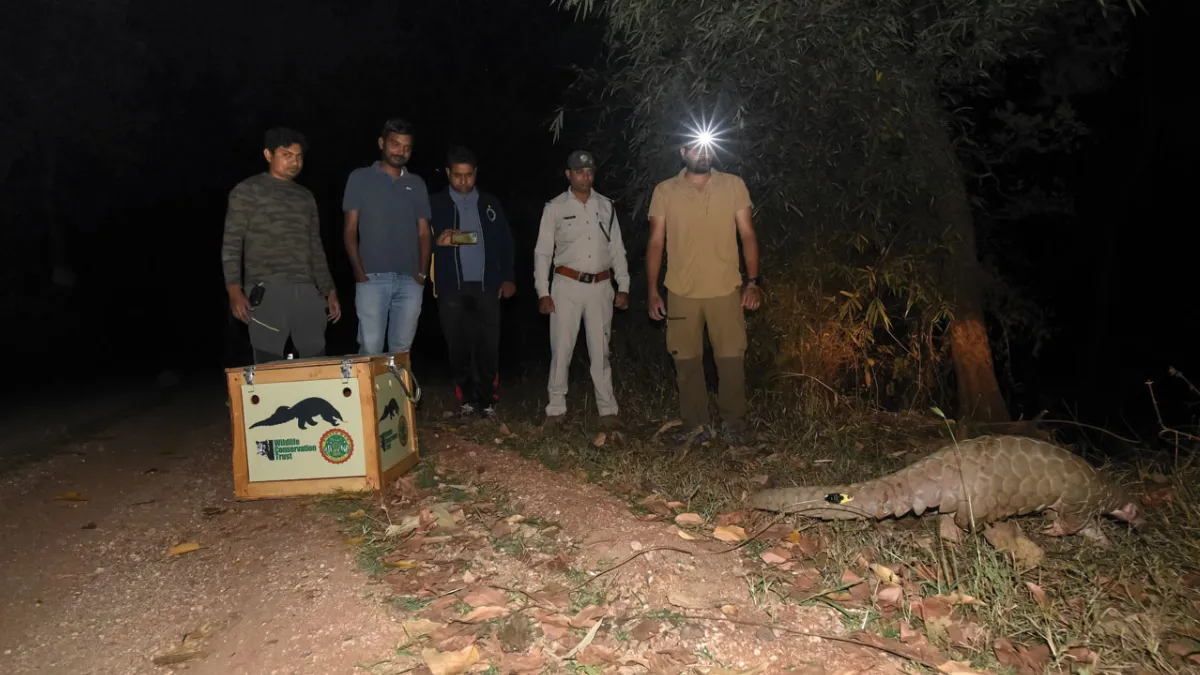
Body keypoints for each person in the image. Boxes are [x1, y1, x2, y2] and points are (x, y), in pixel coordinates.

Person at [646, 138, 761, 447]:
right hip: (681, 289)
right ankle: (696, 426)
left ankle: (734, 425)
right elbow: (656, 242)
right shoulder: (665, 191)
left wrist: (753, 281)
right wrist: (652, 290)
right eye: (694, 148)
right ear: (683, 153)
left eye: (707, 147)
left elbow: (747, 235)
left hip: (725, 287)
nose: (702, 153)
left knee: (731, 359)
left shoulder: (733, 185)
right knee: (686, 362)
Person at [221, 126, 341, 364]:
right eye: (287, 155)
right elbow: (232, 243)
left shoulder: (305, 197)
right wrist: (234, 289)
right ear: (268, 155)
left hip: (307, 290)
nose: (294, 162)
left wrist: (329, 290)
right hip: (267, 290)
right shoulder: (247, 191)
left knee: (316, 360)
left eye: (299, 157)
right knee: (268, 363)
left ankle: (314, 401)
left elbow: (316, 247)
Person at [534, 150, 631, 430]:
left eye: (589, 172)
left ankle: (608, 410)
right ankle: (555, 410)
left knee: (601, 351)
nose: (585, 176)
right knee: (561, 349)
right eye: (579, 172)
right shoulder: (555, 207)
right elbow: (542, 252)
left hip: (601, 286)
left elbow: (617, 248)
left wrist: (622, 284)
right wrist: (543, 292)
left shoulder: (606, 205)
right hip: (566, 286)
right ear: (569, 174)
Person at [428, 146, 517, 419]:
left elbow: (505, 242)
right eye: (457, 175)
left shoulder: (490, 204)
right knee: (458, 345)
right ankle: (466, 398)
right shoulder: (435, 203)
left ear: (476, 173)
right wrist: (436, 242)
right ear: (447, 173)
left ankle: (487, 400)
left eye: (468, 175)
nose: (463, 181)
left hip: (486, 286)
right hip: (450, 286)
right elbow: (416, 242)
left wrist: (508, 277)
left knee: (488, 345)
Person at [342, 118, 432, 355]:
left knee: (401, 350)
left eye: (407, 147)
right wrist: (358, 270)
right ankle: (369, 394)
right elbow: (350, 229)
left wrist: (422, 272)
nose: (400, 151)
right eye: (395, 144)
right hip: (371, 278)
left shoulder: (417, 184)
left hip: (410, 280)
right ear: (381, 143)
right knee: (370, 348)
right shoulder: (359, 178)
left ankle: (396, 394)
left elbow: (424, 231)